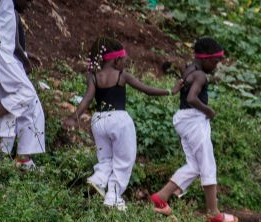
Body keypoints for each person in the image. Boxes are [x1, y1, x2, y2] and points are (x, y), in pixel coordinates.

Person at [63, 38, 177, 210]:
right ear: (116, 61)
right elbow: (147, 89)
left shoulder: (94, 76)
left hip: (98, 121)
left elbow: (87, 100)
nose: (125, 64)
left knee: (106, 158)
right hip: (119, 121)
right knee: (123, 160)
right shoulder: (122, 76)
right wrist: (170, 90)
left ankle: (98, 179)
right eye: (124, 61)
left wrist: (73, 117)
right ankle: (113, 196)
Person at [148, 37, 238, 222]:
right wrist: (208, 110)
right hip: (195, 120)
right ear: (205, 59)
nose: (215, 66)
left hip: (184, 120)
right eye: (214, 62)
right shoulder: (200, 76)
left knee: (195, 166)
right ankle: (213, 213)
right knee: (208, 164)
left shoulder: (189, 69)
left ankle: (161, 197)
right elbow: (191, 97)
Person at [0, 0, 44, 169]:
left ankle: (19, 158)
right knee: (26, 94)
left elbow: (10, 39)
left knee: (23, 104)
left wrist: (25, 55)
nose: (30, 3)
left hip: (5, 55)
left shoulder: (11, 10)